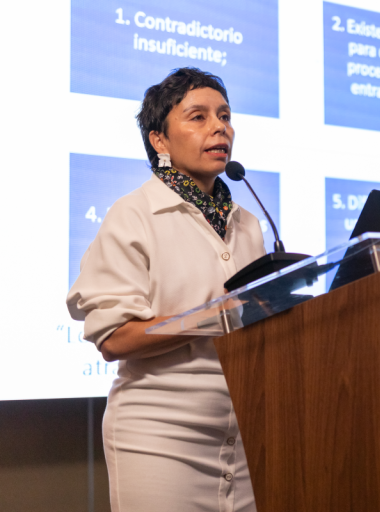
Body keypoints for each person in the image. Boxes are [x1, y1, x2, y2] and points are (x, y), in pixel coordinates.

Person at [66, 68, 266, 512]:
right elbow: (115, 338)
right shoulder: (133, 215)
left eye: (225, 116)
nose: (220, 127)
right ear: (159, 140)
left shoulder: (249, 223)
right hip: (159, 437)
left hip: (245, 436)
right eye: (198, 117)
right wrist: (217, 316)